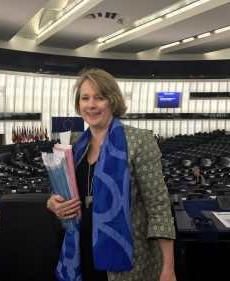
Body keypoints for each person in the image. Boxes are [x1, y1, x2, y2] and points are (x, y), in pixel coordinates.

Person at [47, 69, 176, 281]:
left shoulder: (139, 141)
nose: (91, 105)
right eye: (85, 98)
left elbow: (158, 207)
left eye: (99, 97)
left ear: (112, 101)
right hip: (81, 255)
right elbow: (61, 190)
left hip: (129, 261)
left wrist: (168, 268)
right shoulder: (75, 143)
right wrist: (53, 202)